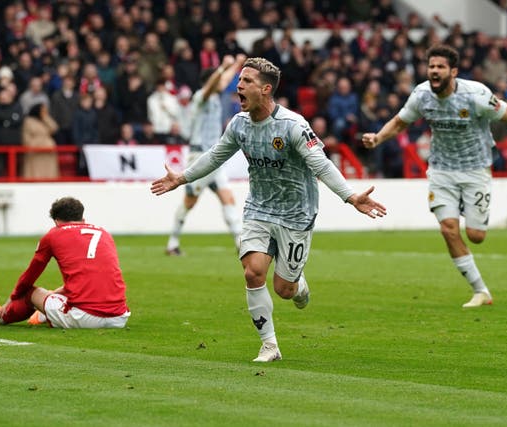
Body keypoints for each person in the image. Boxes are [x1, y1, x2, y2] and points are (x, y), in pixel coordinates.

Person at [151, 57, 386, 362]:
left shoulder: (293, 125)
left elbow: (321, 165)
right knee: (253, 272)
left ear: (265, 89)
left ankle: (298, 283)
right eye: (239, 80)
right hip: (259, 209)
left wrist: (351, 196)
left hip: (296, 212)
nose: (238, 85)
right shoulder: (238, 124)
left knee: (284, 289)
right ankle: (270, 345)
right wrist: (181, 177)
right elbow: (215, 156)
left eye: (246, 81)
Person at [361, 44, 507, 308]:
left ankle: (468, 209)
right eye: (431, 66)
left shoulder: (475, 95)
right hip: (441, 171)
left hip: (476, 169)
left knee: (476, 235)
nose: (434, 71)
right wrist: (377, 137)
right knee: (448, 229)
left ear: (453, 71)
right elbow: (400, 122)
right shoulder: (421, 95)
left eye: (440, 67)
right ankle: (481, 291)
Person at [0, 197, 131, 329]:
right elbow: (94, 276)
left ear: (56, 221)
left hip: (83, 317)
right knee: (59, 293)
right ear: (83, 219)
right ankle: (40, 316)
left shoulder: (53, 235)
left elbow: (29, 276)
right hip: (119, 318)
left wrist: (11, 299)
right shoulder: (104, 233)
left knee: (31, 293)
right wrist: (55, 293)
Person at [165, 54, 245, 256]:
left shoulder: (216, 95)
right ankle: (172, 243)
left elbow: (223, 81)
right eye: (219, 78)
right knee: (190, 201)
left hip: (215, 157)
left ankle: (240, 243)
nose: (223, 83)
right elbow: (213, 85)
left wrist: (235, 64)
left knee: (227, 197)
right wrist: (221, 68)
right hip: (199, 156)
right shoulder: (201, 96)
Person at [22, 102, 60, 179]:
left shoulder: (46, 120)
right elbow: (26, 137)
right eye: (43, 110)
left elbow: (54, 128)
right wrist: (32, 146)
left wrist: (46, 118)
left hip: (48, 151)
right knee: (35, 174)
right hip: (35, 151)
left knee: (49, 174)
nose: (45, 112)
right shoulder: (28, 121)